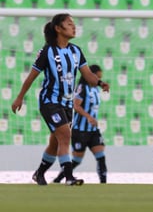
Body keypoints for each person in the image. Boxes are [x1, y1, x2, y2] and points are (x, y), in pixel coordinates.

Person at [11, 13, 110, 186]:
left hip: (66, 103)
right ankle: (69, 177)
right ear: (58, 28)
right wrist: (19, 97)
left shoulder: (76, 51)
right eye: (69, 23)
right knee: (65, 135)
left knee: (55, 142)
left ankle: (39, 173)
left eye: (73, 24)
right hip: (50, 102)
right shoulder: (47, 51)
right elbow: (31, 76)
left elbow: (87, 74)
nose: (74, 26)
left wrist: (100, 82)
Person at [53, 64, 108, 184]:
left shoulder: (95, 88)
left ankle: (103, 184)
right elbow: (76, 105)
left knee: (101, 156)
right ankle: (58, 179)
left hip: (93, 130)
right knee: (77, 160)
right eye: (98, 75)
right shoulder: (82, 88)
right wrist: (88, 117)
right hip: (80, 130)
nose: (99, 78)